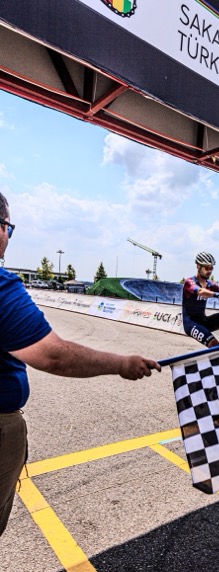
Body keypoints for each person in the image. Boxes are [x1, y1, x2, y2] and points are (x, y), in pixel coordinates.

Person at [0, 192, 161, 542]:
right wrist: (121, 363)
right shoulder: (2, 286)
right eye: (8, 228)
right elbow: (52, 355)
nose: (8, 238)